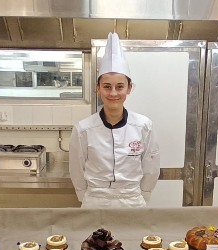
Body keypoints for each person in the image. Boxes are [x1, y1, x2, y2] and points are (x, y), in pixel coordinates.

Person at [69, 32, 160, 208]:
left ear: (129, 88)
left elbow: (151, 167)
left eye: (120, 87)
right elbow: (76, 169)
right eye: (107, 87)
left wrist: (143, 194)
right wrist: (83, 197)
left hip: (132, 201)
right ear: (98, 88)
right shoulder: (83, 129)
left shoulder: (144, 126)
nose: (113, 93)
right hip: (95, 201)